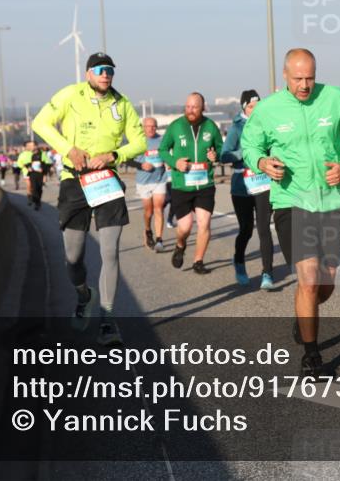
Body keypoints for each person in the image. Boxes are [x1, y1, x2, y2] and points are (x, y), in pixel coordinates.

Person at [242, 49, 340, 377]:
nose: (304, 85)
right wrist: (261, 162)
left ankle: (304, 316)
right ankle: (312, 356)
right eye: (298, 78)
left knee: (324, 286)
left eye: (310, 78)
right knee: (309, 278)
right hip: (291, 201)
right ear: (284, 75)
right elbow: (251, 146)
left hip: (332, 202)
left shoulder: (336, 99)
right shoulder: (269, 109)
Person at [32, 52, 145, 346]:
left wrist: (115, 155)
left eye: (109, 70)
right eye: (99, 70)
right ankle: (84, 294)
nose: (105, 74)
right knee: (73, 257)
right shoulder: (71, 95)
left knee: (110, 252)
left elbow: (140, 141)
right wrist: (67, 148)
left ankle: (108, 321)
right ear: (88, 74)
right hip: (74, 181)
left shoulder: (122, 103)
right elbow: (41, 123)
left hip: (107, 180)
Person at [220, 89, 279, 289]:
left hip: (263, 183)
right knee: (246, 229)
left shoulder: (267, 124)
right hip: (242, 187)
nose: (256, 109)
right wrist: (245, 153)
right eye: (252, 106)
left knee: (264, 228)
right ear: (244, 107)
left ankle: (267, 273)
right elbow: (224, 155)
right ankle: (239, 262)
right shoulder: (236, 128)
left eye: (258, 105)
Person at [159, 93, 224, 274]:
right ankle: (180, 245)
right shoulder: (176, 126)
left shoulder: (210, 126)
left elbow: (220, 148)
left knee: (204, 223)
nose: (190, 110)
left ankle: (198, 261)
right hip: (182, 185)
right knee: (185, 226)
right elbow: (163, 150)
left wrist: (215, 155)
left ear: (203, 108)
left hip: (205, 185)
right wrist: (175, 163)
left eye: (195, 107)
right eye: (188, 106)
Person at [134, 117, 169, 253]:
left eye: (153, 126)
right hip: (144, 181)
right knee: (148, 212)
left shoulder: (162, 140)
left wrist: (167, 162)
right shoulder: (139, 141)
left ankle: (159, 240)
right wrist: (141, 165)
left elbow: (166, 154)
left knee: (158, 208)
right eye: (148, 126)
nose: (151, 129)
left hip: (160, 178)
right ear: (143, 127)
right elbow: (127, 159)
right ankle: (148, 231)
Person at [25, 143, 45, 211]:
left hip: (40, 174)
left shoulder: (42, 154)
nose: (32, 147)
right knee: (34, 188)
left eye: (33, 146)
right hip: (32, 174)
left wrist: (43, 169)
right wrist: (28, 167)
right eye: (30, 146)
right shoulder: (28, 154)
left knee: (39, 188)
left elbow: (48, 163)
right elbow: (24, 163)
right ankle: (36, 202)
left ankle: (38, 201)